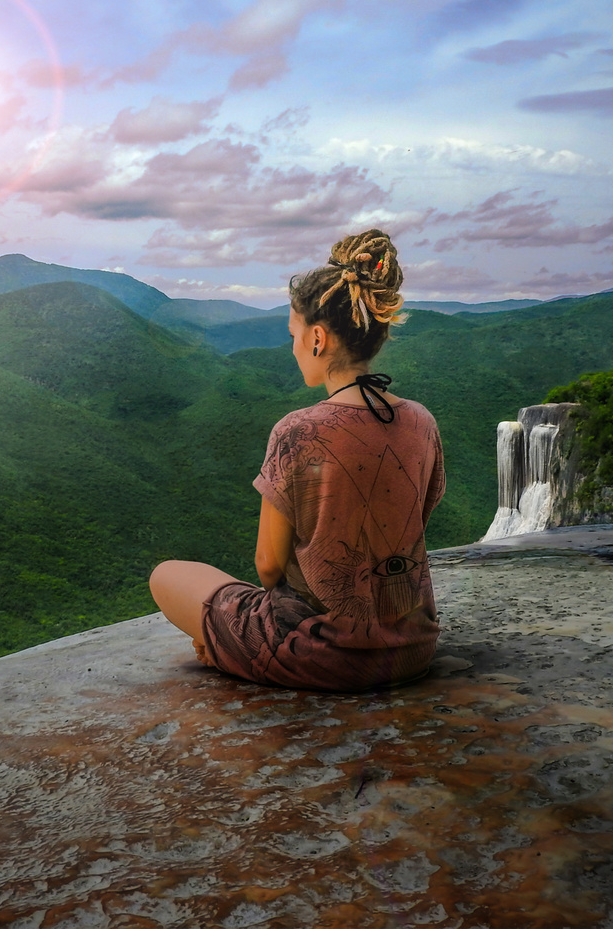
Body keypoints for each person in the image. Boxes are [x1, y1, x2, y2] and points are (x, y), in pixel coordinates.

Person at [149, 229, 445, 691]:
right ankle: (228, 647)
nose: (291, 347)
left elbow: (268, 566)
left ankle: (228, 651)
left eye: (294, 335)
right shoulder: (421, 421)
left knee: (167, 575)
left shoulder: (297, 431)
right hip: (412, 647)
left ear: (318, 339)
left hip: (322, 653)